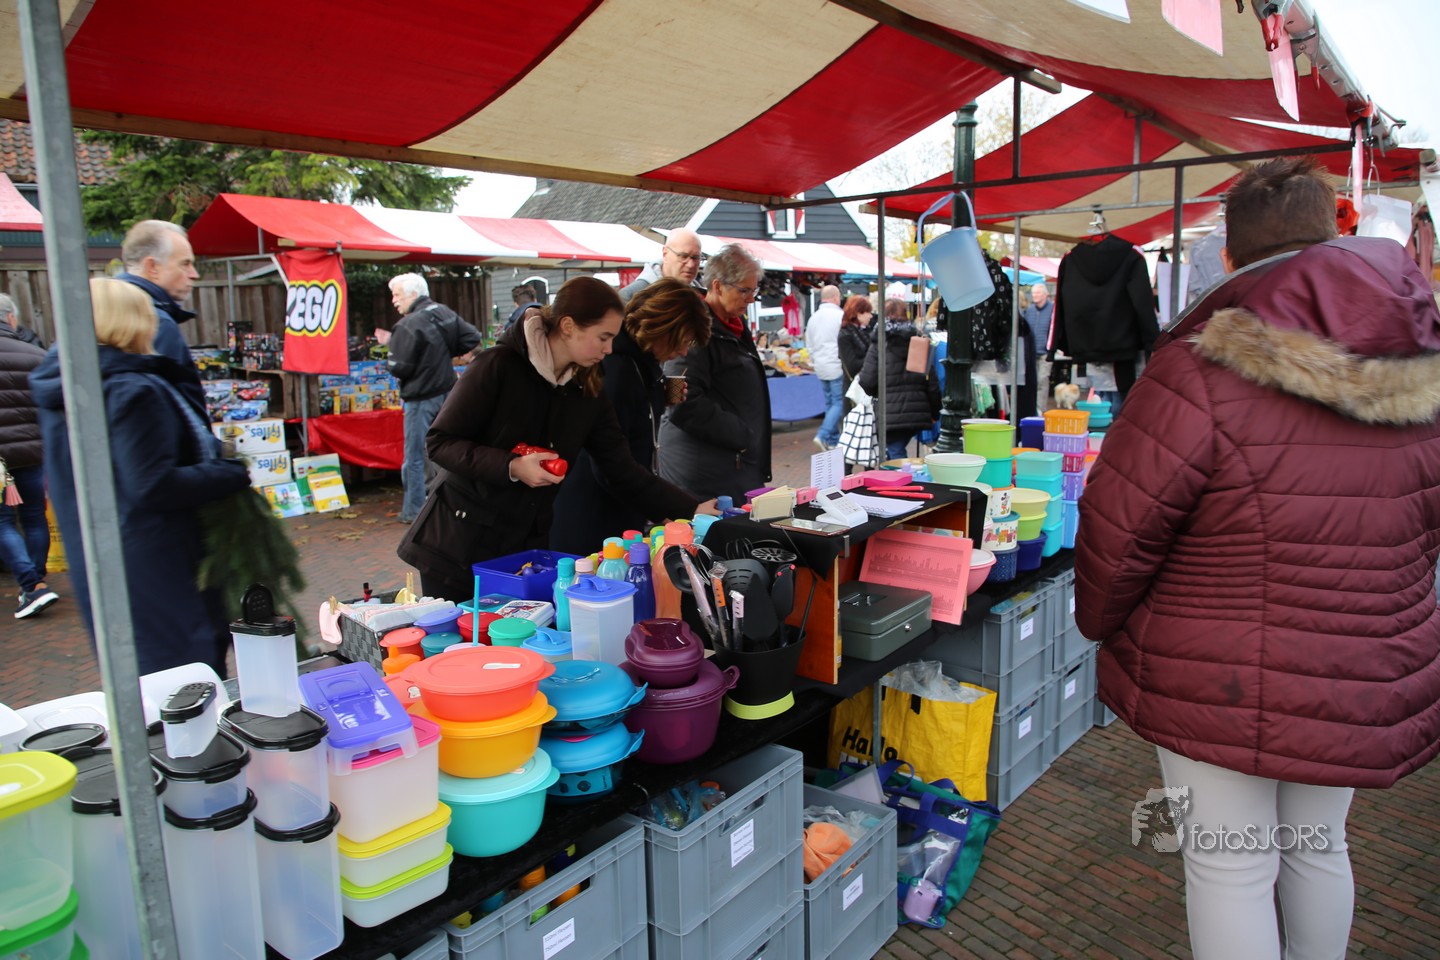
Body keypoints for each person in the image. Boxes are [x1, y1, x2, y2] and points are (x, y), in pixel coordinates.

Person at [1074, 157, 1440, 960]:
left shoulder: (1199, 364)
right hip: (1359, 663)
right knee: (1319, 846)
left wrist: (1097, 620)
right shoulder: (1421, 358)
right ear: (1330, 231)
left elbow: (1118, 524)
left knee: (1229, 868)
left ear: (1231, 255)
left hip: (1217, 671)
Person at [398, 277, 708, 602]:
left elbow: (621, 469)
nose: (609, 349)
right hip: (457, 546)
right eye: (603, 337)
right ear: (568, 326)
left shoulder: (589, 388)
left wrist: (691, 509)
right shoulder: (497, 365)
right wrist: (512, 466)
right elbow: (440, 442)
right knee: (461, 634)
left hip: (522, 550)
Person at [31, 279, 253, 674]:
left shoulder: (68, 387)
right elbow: (152, 484)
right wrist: (227, 473)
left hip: (108, 559)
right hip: (158, 561)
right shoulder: (130, 389)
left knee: (144, 671)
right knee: (187, 672)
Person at [550, 278, 715, 555]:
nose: (683, 352)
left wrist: (657, 397)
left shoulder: (638, 365)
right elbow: (613, 466)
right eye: (682, 341)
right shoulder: (618, 369)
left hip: (612, 512)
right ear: (661, 328)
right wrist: (685, 508)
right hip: (592, 521)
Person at [657, 243, 772, 502]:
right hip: (702, 472)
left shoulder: (734, 326)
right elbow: (677, 399)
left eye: (754, 290)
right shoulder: (695, 330)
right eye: (744, 290)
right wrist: (741, 435)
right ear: (718, 286)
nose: (751, 298)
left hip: (729, 464)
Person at [384, 273, 482, 524]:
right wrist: (442, 354)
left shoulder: (408, 325)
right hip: (448, 393)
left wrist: (394, 349)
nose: (394, 300)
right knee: (448, 449)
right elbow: (472, 338)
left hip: (420, 398)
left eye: (397, 295)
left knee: (415, 456)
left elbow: (398, 367)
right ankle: (453, 503)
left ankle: (413, 510)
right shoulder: (443, 312)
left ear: (413, 294)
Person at [0, 293, 56, 619]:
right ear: (11, 318)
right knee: (34, 516)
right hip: (32, 451)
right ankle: (34, 583)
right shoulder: (36, 354)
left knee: (3, 522)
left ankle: (32, 585)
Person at [117, 220, 205, 407]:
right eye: (185, 264)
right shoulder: (154, 322)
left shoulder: (105, 310)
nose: (194, 274)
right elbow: (170, 407)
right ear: (152, 267)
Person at [858, 298, 940, 461]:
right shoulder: (918, 341)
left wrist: (879, 392)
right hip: (917, 410)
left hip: (889, 412)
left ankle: (900, 476)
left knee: (895, 454)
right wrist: (935, 412)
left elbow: (867, 381)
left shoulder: (879, 343)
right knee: (895, 451)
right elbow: (932, 382)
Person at [806, 284, 844, 451]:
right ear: (835, 297)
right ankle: (823, 434)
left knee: (830, 403)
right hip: (836, 365)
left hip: (820, 366)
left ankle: (833, 440)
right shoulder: (839, 316)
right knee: (838, 403)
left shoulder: (813, 318)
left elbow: (809, 344)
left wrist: (815, 361)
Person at [619, 228, 703, 301]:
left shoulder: (702, 297)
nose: (690, 265)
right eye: (683, 256)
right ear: (665, 254)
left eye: (696, 257)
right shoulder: (631, 297)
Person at [1021, 282, 1053, 410]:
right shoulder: (1029, 310)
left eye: (1038, 293)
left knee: (1042, 380)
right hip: (1031, 352)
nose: (1035, 295)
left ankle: (1040, 409)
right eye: (1033, 293)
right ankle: (1031, 407)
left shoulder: (1052, 310)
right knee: (1031, 381)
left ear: (1045, 294)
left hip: (1045, 352)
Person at [838, 295, 873, 387]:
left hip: (866, 384)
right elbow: (852, 366)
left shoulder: (864, 331)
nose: (871, 316)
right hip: (855, 387)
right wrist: (874, 357)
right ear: (858, 314)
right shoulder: (845, 335)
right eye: (868, 312)